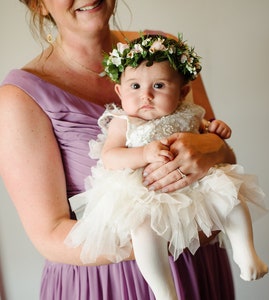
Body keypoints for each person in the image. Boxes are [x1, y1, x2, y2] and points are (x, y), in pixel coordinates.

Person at [0, 1, 238, 299]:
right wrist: (171, 234)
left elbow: (225, 158)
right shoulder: (21, 98)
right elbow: (50, 236)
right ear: (38, 4)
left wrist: (214, 149)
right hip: (106, 282)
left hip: (197, 266)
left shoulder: (166, 52)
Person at [65, 35, 268, 300]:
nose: (146, 96)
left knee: (230, 194)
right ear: (119, 91)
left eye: (159, 85)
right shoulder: (123, 121)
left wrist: (215, 131)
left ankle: (246, 252)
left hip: (196, 186)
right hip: (147, 192)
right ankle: (164, 292)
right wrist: (143, 153)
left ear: (182, 91)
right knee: (144, 231)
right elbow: (110, 157)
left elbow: (208, 133)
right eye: (135, 86)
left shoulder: (189, 111)